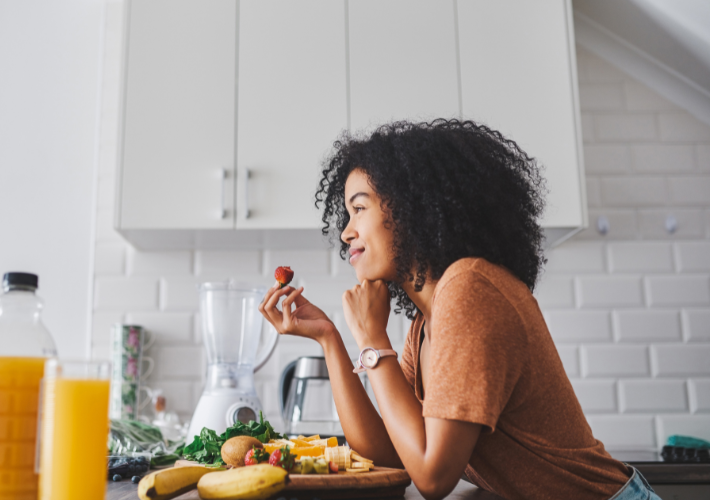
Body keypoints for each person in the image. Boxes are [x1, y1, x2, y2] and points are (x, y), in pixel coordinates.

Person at [258, 119, 661, 500]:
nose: (346, 232)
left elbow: (433, 478)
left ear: (410, 206)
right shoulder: (425, 323)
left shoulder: (469, 289)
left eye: (359, 208)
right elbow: (392, 455)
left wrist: (373, 339)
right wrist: (330, 339)